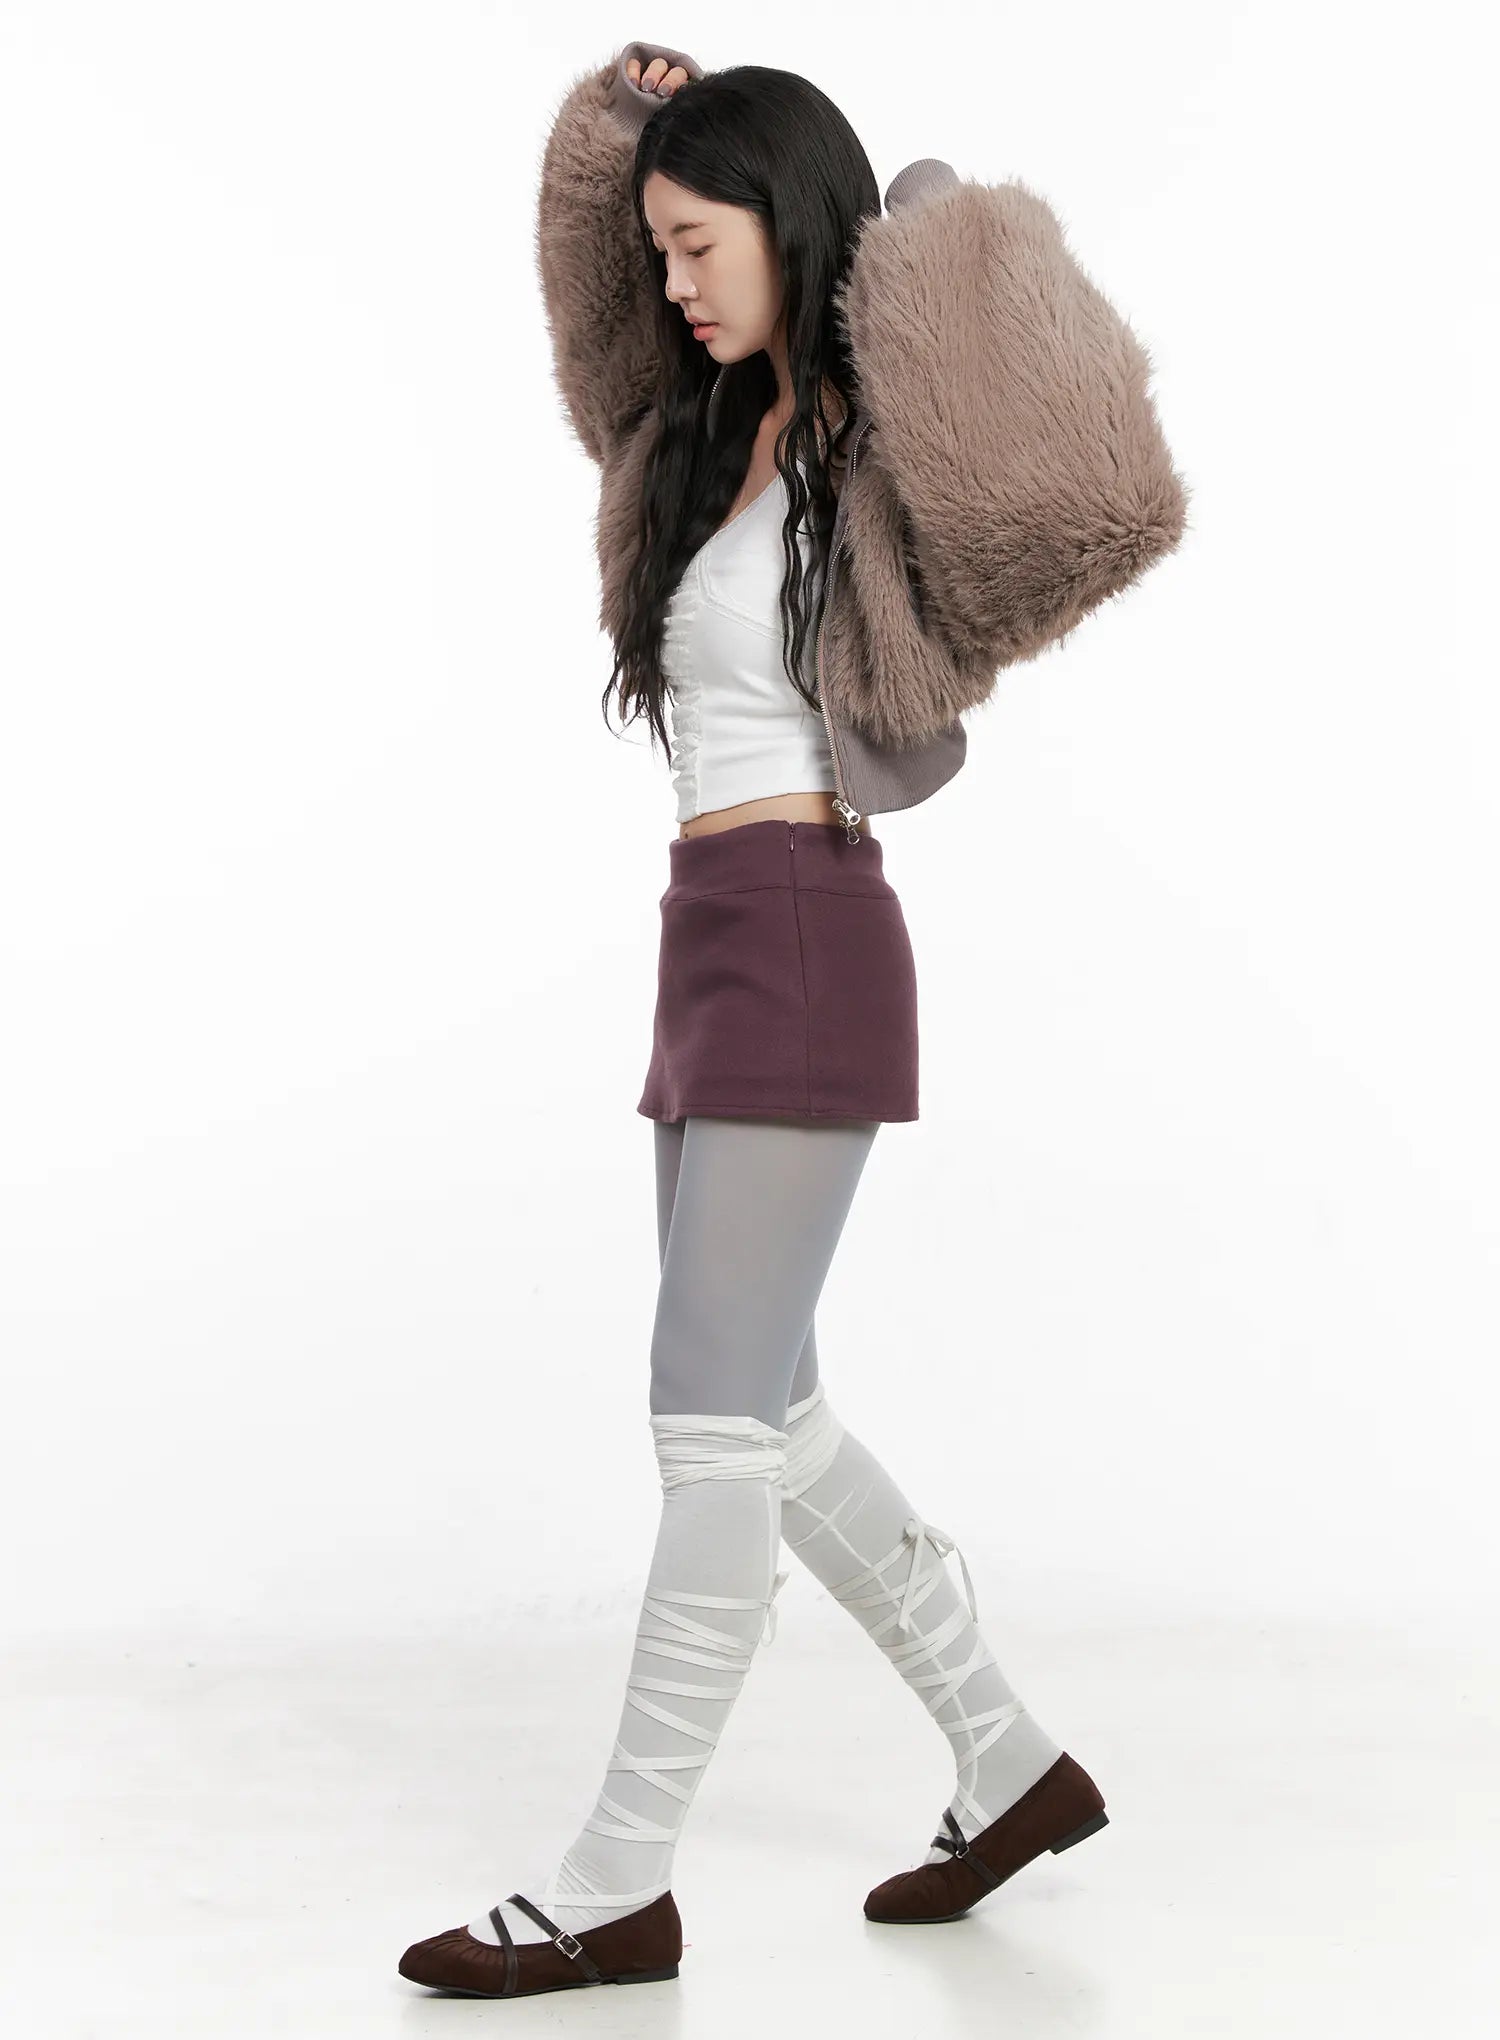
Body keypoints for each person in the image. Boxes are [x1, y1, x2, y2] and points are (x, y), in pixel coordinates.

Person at [399, 39, 1187, 2002]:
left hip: (812, 934)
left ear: (787, 218)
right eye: (656, 249)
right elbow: (601, 341)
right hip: (710, 935)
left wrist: (934, 245)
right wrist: (619, 131)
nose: (671, 284)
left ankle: (615, 1881)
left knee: (705, 1435)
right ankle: (1007, 1755)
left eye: (700, 242)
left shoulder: (877, 453)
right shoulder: (702, 439)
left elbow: (1097, 503)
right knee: (774, 1415)